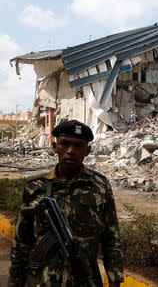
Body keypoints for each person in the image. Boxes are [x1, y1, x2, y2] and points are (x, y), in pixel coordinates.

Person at [9, 120, 124, 287]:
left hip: (85, 279)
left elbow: (111, 237)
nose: (71, 151)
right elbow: (21, 241)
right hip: (41, 281)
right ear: (54, 146)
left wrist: (115, 280)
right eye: (65, 144)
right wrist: (14, 282)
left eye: (79, 145)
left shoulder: (100, 185)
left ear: (88, 151)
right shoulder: (35, 186)